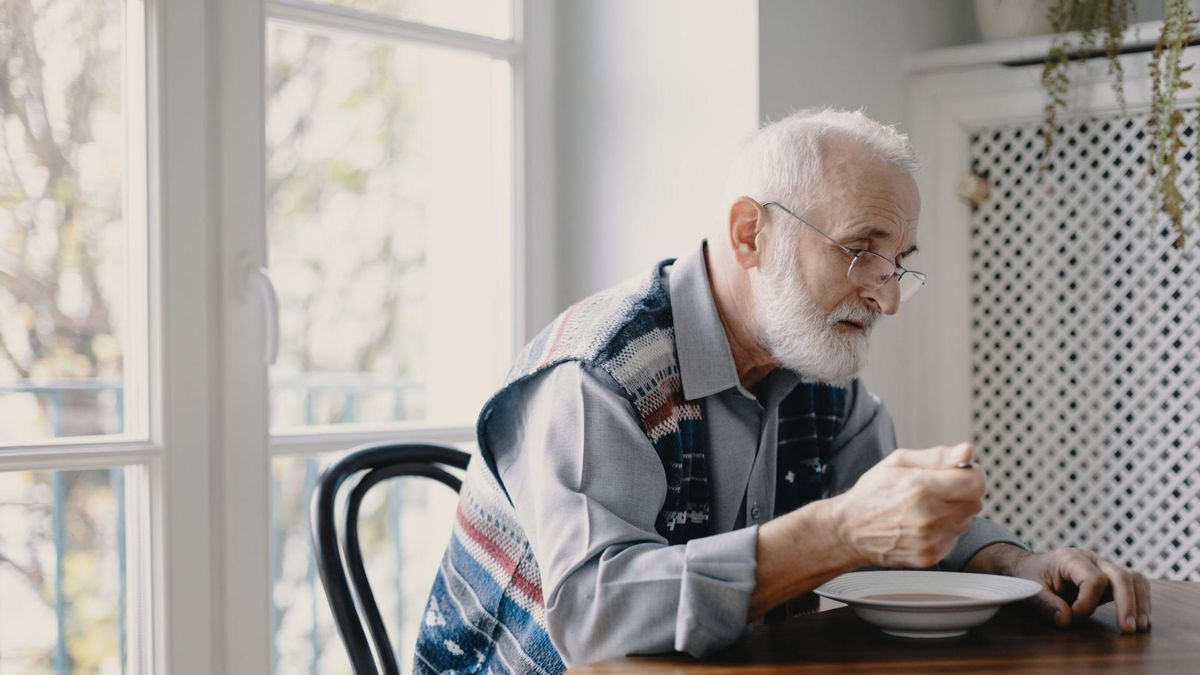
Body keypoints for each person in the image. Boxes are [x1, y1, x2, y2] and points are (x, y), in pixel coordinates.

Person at [413, 109, 1152, 675]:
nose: (886, 298)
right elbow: (594, 615)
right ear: (748, 235)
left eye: (898, 263)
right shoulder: (599, 373)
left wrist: (1014, 564)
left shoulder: (815, 367)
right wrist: (836, 532)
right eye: (862, 251)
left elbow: (894, 522)